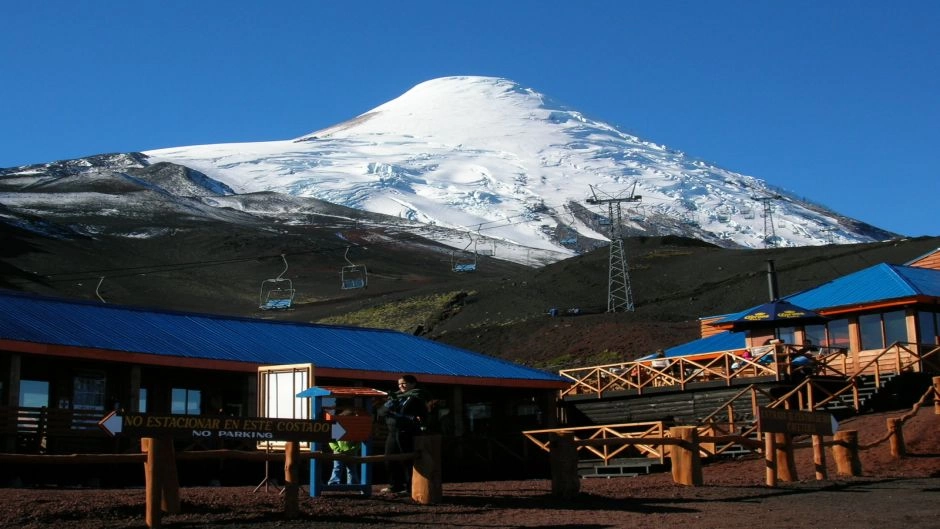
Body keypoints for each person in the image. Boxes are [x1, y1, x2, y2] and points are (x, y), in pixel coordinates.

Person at [380, 374, 429, 495]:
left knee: (407, 460)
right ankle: (395, 485)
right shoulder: (395, 397)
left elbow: (422, 415)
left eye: (404, 383)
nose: (401, 386)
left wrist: (402, 415)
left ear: (413, 384)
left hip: (407, 432)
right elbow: (381, 412)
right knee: (389, 458)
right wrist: (389, 405)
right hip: (392, 432)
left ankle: (409, 487)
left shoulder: (417, 397)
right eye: (399, 384)